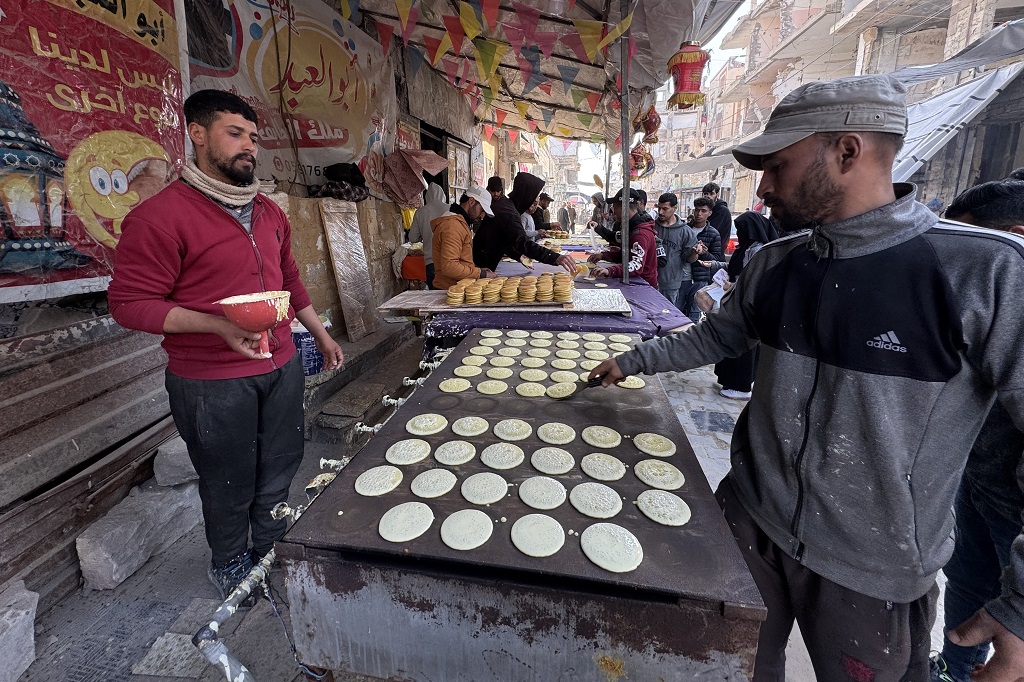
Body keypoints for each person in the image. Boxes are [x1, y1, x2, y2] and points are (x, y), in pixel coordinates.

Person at [590, 75, 1024, 681]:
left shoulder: (979, 273)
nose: (763, 188)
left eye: (778, 165)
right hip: (748, 521)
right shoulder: (777, 263)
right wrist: (632, 361)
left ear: (848, 151)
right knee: (723, 669)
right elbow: (718, 336)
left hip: (871, 567)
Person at [108, 89, 344, 601]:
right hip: (210, 381)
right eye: (234, 134)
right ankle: (230, 561)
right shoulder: (159, 217)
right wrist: (216, 326)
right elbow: (128, 304)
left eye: (253, 138)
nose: (249, 148)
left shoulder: (267, 212)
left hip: (280, 365)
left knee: (281, 464)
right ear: (197, 133)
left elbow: (289, 281)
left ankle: (269, 547)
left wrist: (320, 335)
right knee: (229, 481)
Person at [929, 179, 1024, 682]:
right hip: (982, 479)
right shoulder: (991, 303)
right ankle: (954, 667)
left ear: (1014, 239)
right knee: (967, 581)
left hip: (1019, 509)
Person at [713, 211, 779, 399]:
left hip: (746, 305)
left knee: (743, 344)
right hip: (735, 301)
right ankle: (729, 379)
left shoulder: (757, 250)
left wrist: (733, 286)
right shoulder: (746, 247)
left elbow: (753, 279)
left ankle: (740, 385)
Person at [473, 172, 576, 274]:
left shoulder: (508, 207)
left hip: (485, 260)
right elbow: (522, 242)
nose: (536, 200)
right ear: (527, 194)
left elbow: (505, 239)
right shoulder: (508, 212)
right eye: (535, 195)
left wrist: (518, 256)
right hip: (481, 264)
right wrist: (555, 257)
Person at [588, 188, 659, 287]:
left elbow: (636, 265)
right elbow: (625, 255)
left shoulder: (640, 234)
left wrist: (610, 270)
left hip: (643, 286)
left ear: (622, 208)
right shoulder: (631, 228)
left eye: (615, 208)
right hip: (635, 283)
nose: (614, 213)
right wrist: (603, 256)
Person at [431, 186, 495, 289]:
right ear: (471, 201)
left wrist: (477, 270)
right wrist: (480, 274)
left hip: (457, 288)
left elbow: (460, 260)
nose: (482, 216)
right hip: (449, 291)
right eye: (482, 210)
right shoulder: (452, 226)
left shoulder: (459, 223)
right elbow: (450, 266)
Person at [653, 192, 698, 313]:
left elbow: (689, 259)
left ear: (674, 208)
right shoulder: (652, 227)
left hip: (671, 283)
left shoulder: (685, 232)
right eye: (659, 208)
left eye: (665, 209)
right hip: (650, 281)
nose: (661, 212)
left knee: (667, 317)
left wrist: (694, 253)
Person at [683, 197, 724, 318]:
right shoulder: (685, 229)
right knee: (678, 308)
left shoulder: (713, 233)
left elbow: (716, 259)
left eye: (703, 211)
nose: (698, 214)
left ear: (710, 213)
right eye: (696, 210)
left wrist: (704, 253)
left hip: (700, 278)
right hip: (682, 275)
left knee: (694, 312)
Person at [407, 183, 447, 288]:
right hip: (451, 261)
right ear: (442, 195)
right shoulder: (451, 208)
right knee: (454, 297)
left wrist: (424, 233)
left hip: (431, 263)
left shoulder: (420, 212)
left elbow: (413, 238)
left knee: (436, 298)